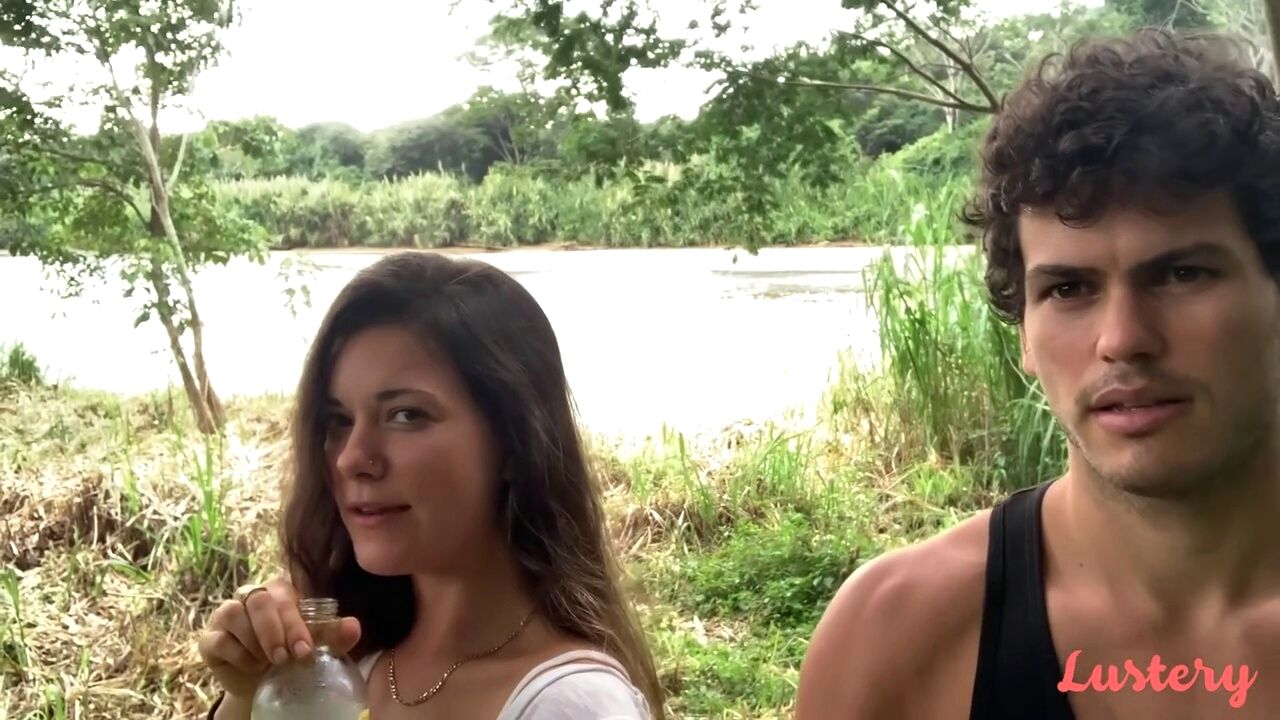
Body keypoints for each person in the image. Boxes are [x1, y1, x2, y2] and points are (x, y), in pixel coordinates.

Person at [796, 29, 1280, 719]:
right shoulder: (893, 638)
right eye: (1068, 289)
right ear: (1023, 330)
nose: (1123, 339)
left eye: (1181, 274)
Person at [197, 251, 665, 718]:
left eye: (405, 415)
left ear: (513, 441)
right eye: (338, 420)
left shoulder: (571, 704)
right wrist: (247, 694)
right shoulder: (349, 668)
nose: (351, 458)